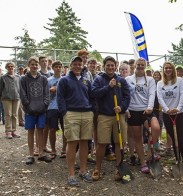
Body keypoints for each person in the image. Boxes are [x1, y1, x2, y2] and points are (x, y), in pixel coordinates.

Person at [91, 56, 130, 181]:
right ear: (104, 66)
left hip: (119, 115)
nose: (110, 67)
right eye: (108, 65)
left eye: (112, 65)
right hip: (104, 116)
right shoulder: (99, 79)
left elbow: (127, 96)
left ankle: (119, 168)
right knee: (102, 143)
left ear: (116, 66)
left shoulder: (121, 80)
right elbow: (94, 94)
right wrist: (108, 87)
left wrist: (122, 107)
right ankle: (97, 168)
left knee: (120, 143)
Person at [57, 56, 94, 186]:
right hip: (71, 114)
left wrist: (92, 111)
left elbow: (91, 97)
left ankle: (83, 170)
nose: (78, 66)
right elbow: (60, 98)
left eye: (80, 64)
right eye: (75, 64)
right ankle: (71, 173)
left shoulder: (86, 81)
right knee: (72, 143)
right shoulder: (64, 80)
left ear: (83, 65)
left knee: (85, 143)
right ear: (71, 65)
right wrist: (65, 113)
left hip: (87, 114)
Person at [125, 57, 160, 173]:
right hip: (133, 110)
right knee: (137, 137)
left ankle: (150, 154)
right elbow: (126, 95)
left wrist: (150, 107)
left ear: (145, 66)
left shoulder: (150, 80)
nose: (140, 66)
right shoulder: (128, 79)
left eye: (142, 65)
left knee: (156, 128)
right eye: (138, 64)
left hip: (147, 110)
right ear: (134, 65)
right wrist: (126, 109)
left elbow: (151, 94)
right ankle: (142, 161)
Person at [20, 57, 51, 164]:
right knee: (30, 131)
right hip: (30, 110)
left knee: (41, 130)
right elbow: (23, 95)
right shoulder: (23, 79)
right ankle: (31, 155)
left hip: (41, 110)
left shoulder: (43, 79)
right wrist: (28, 106)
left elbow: (47, 94)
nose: (34, 66)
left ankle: (41, 153)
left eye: (36, 64)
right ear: (29, 65)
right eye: (32, 64)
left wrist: (44, 105)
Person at [157, 61, 183, 165]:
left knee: (180, 137)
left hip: (180, 113)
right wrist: (166, 109)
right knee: (174, 138)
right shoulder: (160, 83)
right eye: (166, 68)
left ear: (173, 69)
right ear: (163, 70)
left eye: (170, 68)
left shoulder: (180, 81)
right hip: (167, 114)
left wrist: (178, 108)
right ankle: (177, 159)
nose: (168, 70)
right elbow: (160, 98)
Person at [47, 61, 65, 159]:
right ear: (53, 68)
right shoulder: (48, 80)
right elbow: (45, 93)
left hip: (63, 107)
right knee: (52, 129)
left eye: (59, 67)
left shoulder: (65, 79)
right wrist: (50, 90)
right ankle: (53, 150)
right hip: (51, 107)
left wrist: (57, 89)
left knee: (65, 129)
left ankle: (64, 149)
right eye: (56, 67)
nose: (58, 68)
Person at [0, 62, 21, 139]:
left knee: (15, 115)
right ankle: (8, 131)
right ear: (6, 68)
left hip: (16, 98)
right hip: (6, 98)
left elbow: (20, 88)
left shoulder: (18, 77)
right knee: (8, 115)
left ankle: (14, 130)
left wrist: (20, 96)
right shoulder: (3, 77)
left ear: (14, 67)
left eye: (12, 66)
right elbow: (0, 88)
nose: (10, 67)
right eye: (9, 66)